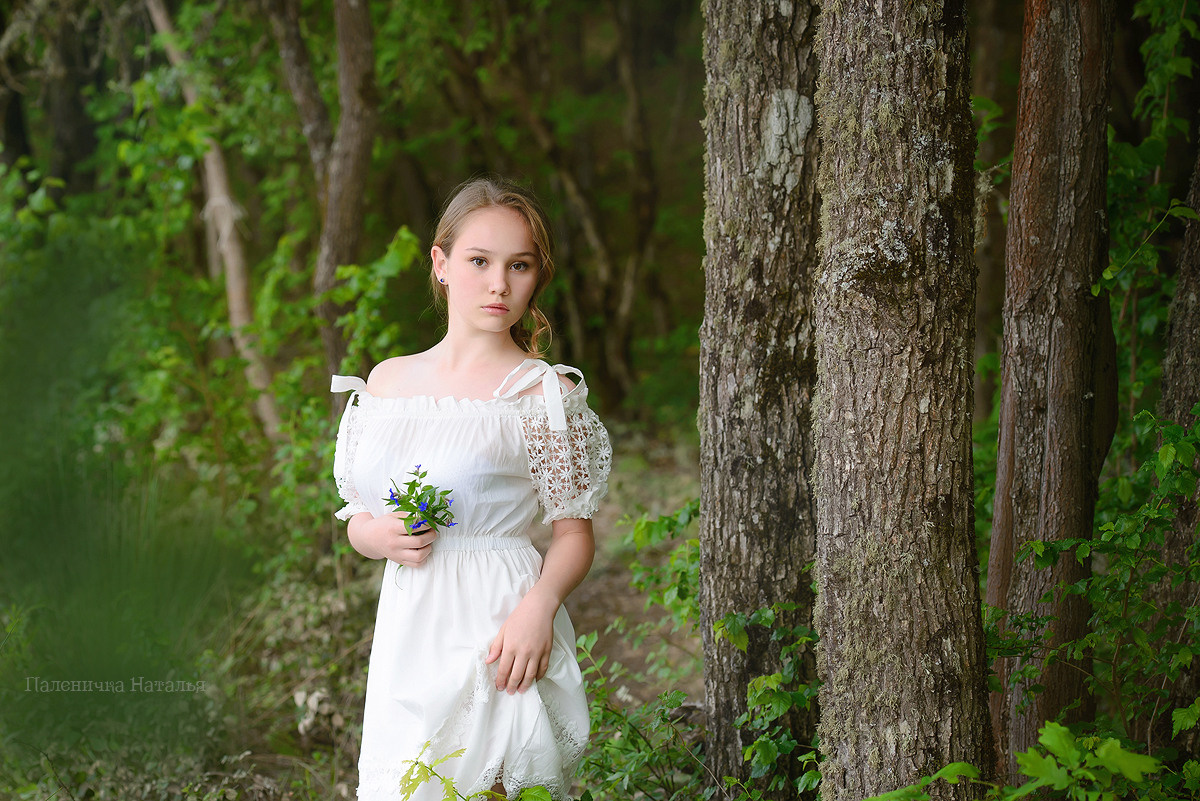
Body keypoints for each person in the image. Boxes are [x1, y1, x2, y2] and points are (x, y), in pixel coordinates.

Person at [330, 176, 612, 801]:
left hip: (501, 622)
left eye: (519, 266)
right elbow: (357, 519)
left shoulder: (543, 396)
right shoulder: (385, 383)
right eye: (479, 261)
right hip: (412, 626)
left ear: (537, 277)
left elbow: (573, 533)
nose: (498, 284)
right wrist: (378, 535)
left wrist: (539, 608)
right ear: (440, 264)